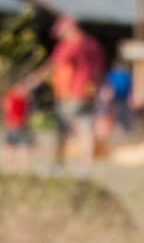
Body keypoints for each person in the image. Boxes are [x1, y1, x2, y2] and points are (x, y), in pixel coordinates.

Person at [27, 16, 106, 164]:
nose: (60, 36)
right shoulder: (93, 44)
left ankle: (59, 162)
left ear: (70, 29)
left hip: (70, 92)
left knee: (64, 126)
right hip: (89, 92)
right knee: (85, 127)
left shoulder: (72, 43)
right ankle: (85, 163)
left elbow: (55, 63)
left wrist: (35, 79)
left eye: (61, 32)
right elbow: (99, 69)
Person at [2, 83, 33, 171]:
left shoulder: (22, 100)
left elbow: (25, 114)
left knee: (19, 146)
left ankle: (19, 166)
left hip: (18, 125)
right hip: (14, 125)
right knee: (13, 146)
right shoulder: (12, 98)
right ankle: (10, 165)